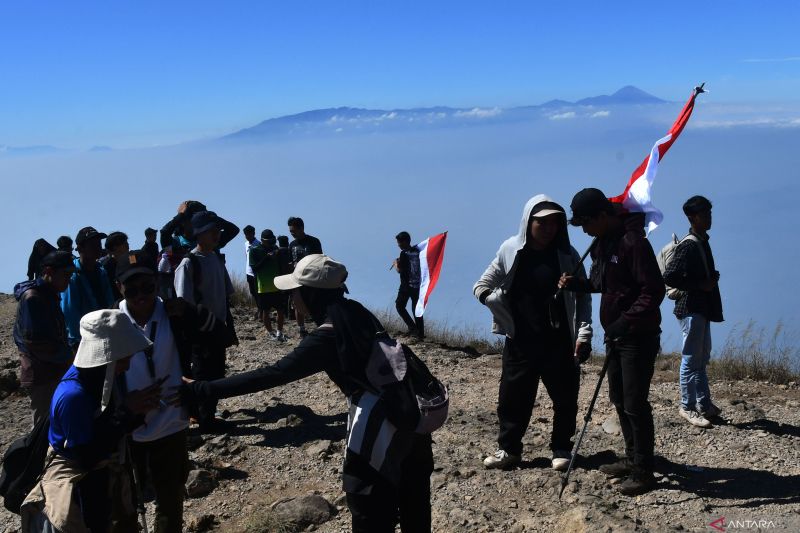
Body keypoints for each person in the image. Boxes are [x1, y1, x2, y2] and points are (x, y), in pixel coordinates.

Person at [181, 254, 434, 533]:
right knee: (415, 503)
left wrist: (200, 388)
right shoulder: (357, 311)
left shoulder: (328, 335)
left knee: (368, 508)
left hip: (378, 425)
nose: (291, 297)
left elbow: (274, 374)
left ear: (311, 294)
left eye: (295, 290)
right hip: (411, 415)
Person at [473, 196, 593, 471]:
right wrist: (490, 300)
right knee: (513, 397)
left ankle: (561, 448)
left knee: (565, 397)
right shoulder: (511, 249)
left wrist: (583, 334)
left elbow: (583, 298)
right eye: (543, 222)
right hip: (520, 339)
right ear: (528, 222)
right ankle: (509, 449)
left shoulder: (568, 254)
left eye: (555, 222)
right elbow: (483, 283)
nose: (549, 228)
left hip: (559, 340)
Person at [559, 188, 665, 496]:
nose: (584, 230)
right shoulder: (602, 244)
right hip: (616, 335)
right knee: (619, 398)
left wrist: (626, 320)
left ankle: (644, 471)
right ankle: (632, 459)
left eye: (587, 223)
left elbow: (653, 291)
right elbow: (603, 283)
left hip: (637, 337)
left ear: (603, 216)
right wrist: (577, 284)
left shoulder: (634, 244)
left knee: (635, 403)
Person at [21, 309, 165, 533]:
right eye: (123, 357)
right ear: (107, 357)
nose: (127, 364)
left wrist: (138, 411)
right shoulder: (74, 396)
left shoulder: (101, 379)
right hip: (80, 488)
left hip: (100, 479)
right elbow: (86, 456)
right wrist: (127, 411)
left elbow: (108, 430)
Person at [115, 250, 227, 532]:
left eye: (147, 287)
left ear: (157, 282)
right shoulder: (111, 323)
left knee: (170, 501)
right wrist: (125, 403)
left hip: (172, 424)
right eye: (132, 289)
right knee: (125, 507)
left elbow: (220, 337)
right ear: (120, 288)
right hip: (130, 431)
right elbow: (91, 377)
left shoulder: (173, 313)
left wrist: (194, 383)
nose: (141, 295)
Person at [174, 211, 238, 432]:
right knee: (202, 374)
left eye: (217, 230)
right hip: (200, 332)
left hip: (218, 329)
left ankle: (208, 415)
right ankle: (202, 418)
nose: (217, 234)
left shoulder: (217, 259)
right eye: (211, 231)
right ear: (199, 234)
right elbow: (183, 303)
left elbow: (226, 294)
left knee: (218, 373)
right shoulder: (188, 263)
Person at [663, 195, 723, 428]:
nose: (709, 218)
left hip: (700, 308)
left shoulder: (699, 241)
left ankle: (703, 404)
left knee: (700, 358)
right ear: (692, 217)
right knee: (691, 359)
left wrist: (706, 281)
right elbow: (669, 275)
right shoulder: (689, 244)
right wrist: (701, 285)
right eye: (705, 214)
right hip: (691, 308)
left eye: (709, 213)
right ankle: (687, 406)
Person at [14, 251, 75, 426]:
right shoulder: (33, 298)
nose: (68, 280)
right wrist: (67, 356)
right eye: (65, 275)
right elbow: (34, 342)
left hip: (52, 370)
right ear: (48, 271)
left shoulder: (49, 295)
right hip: (41, 373)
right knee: (43, 427)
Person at [61, 227, 115, 351]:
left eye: (98, 243)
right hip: (84, 340)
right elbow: (70, 312)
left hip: (105, 334)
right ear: (80, 248)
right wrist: (77, 342)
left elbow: (109, 301)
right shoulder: (72, 276)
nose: (98, 247)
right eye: (93, 245)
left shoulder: (101, 271)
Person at [287, 217, 322, 338]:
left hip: (312, 278)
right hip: (297, 278)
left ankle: (320, 326)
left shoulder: (314, 241)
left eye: (294, 231)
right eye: (290, 231)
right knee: (297, 303)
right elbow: (289, 261)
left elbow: (320, 259)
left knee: (315, 302)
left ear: (301, 228)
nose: (292, 233)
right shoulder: (292, 245)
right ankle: (302, 329)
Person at [249, 229, 286, 341]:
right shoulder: (254, 250)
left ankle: (279, 332)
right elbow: (254, 268)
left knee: (281, 310)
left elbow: (280, 266)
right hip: (263, 287)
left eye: (272, 241)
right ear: (262, 240)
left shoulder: (275, 248)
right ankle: (271, 333)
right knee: (265, 311)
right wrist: (266, 258)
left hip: (277, 285)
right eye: (268, 241)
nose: (271, 243)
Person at [159, 200, 239, 252]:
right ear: (183, 222)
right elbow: (164, 233)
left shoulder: (209, 240)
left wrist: (210, 217)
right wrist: (181, 215)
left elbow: (233, 230)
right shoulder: (175, 243)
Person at [393, 232, 425, 338]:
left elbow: (400, 270)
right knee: (416, 310)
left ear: (405, 241)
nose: (399, 245)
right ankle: (420, 334)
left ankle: (412, 328)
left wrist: (395, 264)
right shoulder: (418, 251)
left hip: (406, 286)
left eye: (399, 243)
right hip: (418, 286)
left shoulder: (403, 253)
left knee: (399, 306)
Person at [100, 231, 130, 301]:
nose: (127, 245)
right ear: (114, 248)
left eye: (126, 242)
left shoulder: (132, 258)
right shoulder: (106, 267)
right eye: (123, 243)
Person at [243, 225, 259, 306]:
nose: (247, 236)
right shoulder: (246, 244)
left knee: (258, 292)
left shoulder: (258, 244)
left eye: (249, 234)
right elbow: (246, 256)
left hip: (256, 272)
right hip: (248, 272)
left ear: (253, 233)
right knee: (252, 292)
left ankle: (261, 310)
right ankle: (259, 308)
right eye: (246, 234)